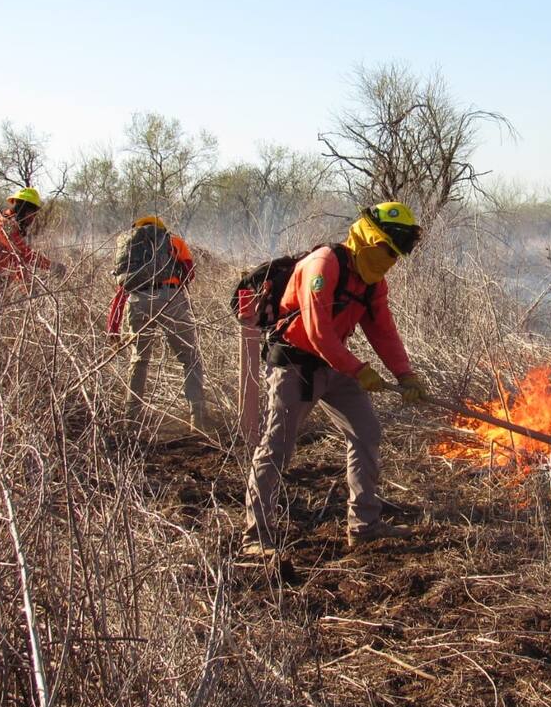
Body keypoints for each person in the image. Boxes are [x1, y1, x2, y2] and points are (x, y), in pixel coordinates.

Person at [241, 202, 428, 555]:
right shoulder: (323, 265)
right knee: (277, 446)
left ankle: (364, 524)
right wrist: (359, 370)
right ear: (370, 239)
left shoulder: (373, 284)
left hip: (335, 366)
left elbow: (383, 332)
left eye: (396, 255)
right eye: (389, 250)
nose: (392, 260)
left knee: (366, 432)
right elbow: (316, 332)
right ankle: (256, 536)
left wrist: (406, 375)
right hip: (295, 365)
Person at [111, 216, 208, 432]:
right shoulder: (174, 241)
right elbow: (189, 273)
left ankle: (132, 419)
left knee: (140, 359)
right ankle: (197, 418)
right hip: (169, 298)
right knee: (190, 358)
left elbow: (121, 289)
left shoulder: (129, 247)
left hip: (137, 300)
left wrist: (113, 327)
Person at [0, 187, 66, 306]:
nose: (33, 219)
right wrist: (51, 266)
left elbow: (16, 260)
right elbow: (22, 255)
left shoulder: (9, 225)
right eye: (33, 214)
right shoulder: (3, 225)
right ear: (25, 210)